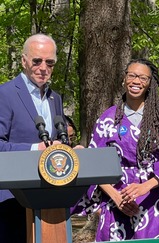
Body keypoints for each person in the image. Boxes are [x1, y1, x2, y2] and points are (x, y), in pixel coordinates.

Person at [71, 58, 159, 241]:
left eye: (143, 78)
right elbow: (93, 164)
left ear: (149, 83)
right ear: (124, 79)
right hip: (118, 203)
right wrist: (116, 196)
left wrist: (144, 187)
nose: (136, 81)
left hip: (156, 205)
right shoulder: (107, 118)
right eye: (132, 75)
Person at [0, 33, 66, 242]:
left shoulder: (55, 98)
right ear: (24, 60)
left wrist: (70, 151)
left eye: (50, 62)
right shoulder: (6, 94)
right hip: (12, 199)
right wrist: (34, 150)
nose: (43, 67)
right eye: (37, 61)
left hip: (50, 197)